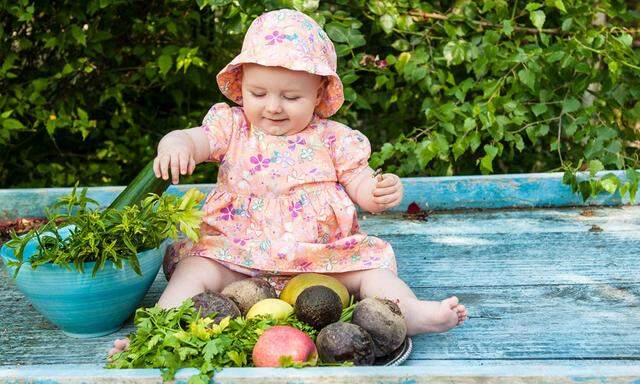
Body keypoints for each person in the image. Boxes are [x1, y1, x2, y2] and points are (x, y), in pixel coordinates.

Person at [109, 8, 466, 357]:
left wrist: (376, 193)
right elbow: (194, 138)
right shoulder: (232, 127)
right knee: (194, 269)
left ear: (318, 94)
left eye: (291, 97)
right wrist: (176, 144)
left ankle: (409, 313)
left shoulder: (332, 138)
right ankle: (154, 332)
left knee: (371, 273)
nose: (273, 107)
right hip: (238, 254)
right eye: (258, 93)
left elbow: (360, 182)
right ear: (241, 86)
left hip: (322, 260)